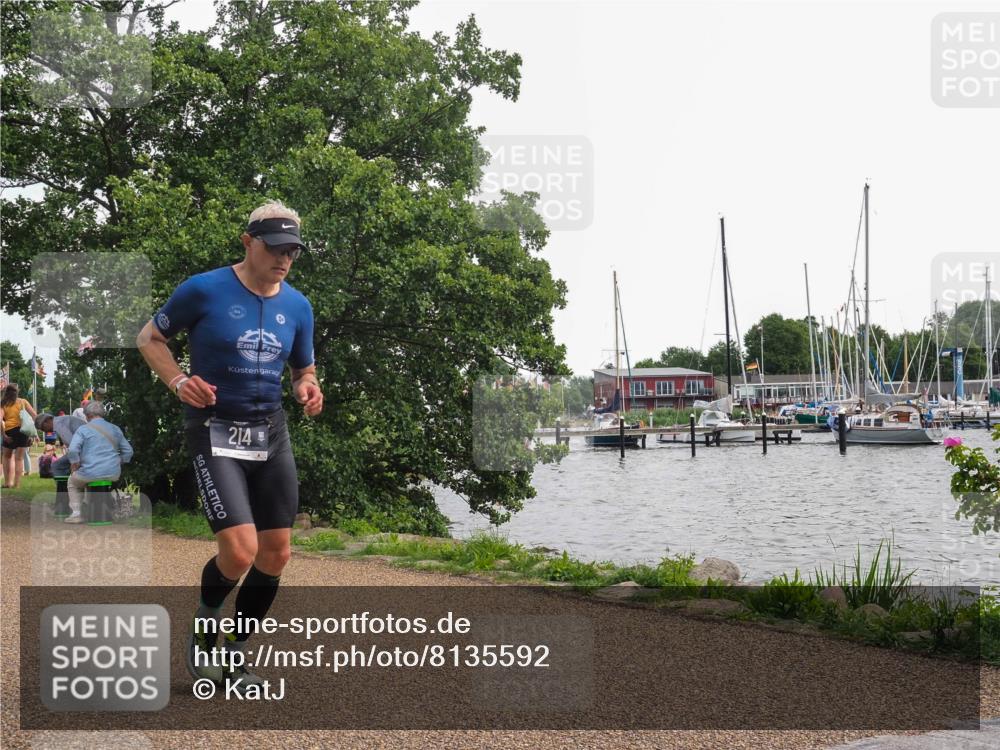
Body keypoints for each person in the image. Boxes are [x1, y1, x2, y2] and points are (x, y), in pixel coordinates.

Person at [136, 200, 323, 695]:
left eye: (293, 252)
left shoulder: (298, 306)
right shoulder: (204, 289)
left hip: (271, 432)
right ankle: (205, 626)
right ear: (248, 242)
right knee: (240, 551)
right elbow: (150, 338)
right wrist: (178, 381)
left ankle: (236, 656)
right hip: (215, 429)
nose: (284, 259)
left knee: (276, 553)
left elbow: (303, 368)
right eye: (275, 248)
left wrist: (308, 386)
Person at [64, 401, 133, 524]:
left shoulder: (83, 429)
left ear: (88, 415)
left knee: (73, 482)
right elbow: (128, 451)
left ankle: (77, 514)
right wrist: (119, 462)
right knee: (89, 479)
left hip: (89, 472)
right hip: (113, 473)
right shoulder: (115, 429)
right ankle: (94, 508)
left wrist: (75, 463)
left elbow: (73, 450)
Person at [2, 383, 37, 489]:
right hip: (23, 432)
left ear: (6, 392)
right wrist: (33, 433)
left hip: (9, 431)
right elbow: (35, 416)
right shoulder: (23, 402)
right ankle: (17, 484)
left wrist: (4, 435)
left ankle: (8, 482)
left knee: (7, 457)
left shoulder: (3, 403)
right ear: (17, 392)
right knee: (19, 459)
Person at [34, 413, 86, 477]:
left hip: (87, 451)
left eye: (43, 428)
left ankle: (66, 486)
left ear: (46, 421)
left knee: (57, 466)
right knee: (59, 465)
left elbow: (73, 447)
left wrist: (74, 464)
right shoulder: (61, 420)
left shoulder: (59, 425)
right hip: (86, 449)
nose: (45, 432)